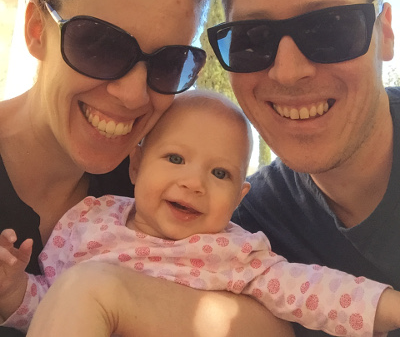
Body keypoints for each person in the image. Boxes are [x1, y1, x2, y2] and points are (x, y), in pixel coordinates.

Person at [0, 0, 293, 337]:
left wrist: (106, 296)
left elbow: (268, 323)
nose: (133, 94)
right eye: (100, 44)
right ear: (37, 30)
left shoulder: (158, 180)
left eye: (167, 63)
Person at [1, 90, 400, 337]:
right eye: (175, 158)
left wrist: (390, 308)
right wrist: (14, 292)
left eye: (220, 173)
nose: (194, 183)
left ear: (239, 196)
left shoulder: (235, 253)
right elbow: (49, 306)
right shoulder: (88, 220)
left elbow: (313, 291)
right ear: (136, 164)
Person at [206, 0, 399, 336]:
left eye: (328, 27)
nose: (289, 72)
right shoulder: (245, 230)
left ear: (384, 32)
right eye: (251, 40)